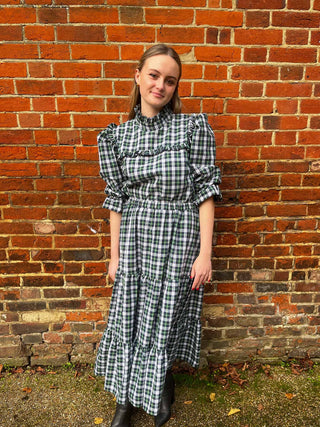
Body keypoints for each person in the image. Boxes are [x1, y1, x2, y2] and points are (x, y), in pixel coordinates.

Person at [94, 44, 222, 427]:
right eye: (154, 75)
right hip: (134, 238)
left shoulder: (191, 129)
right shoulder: (118, 137)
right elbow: (116, 199)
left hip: (178, 238)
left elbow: (205, 191)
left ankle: (162, 383)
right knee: (128, 317)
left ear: (175, 87)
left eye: (170, 80)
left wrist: (205, 254)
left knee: (164, 317)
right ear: (138, 76)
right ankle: (125, 399)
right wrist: (114, 256)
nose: (161, 85)